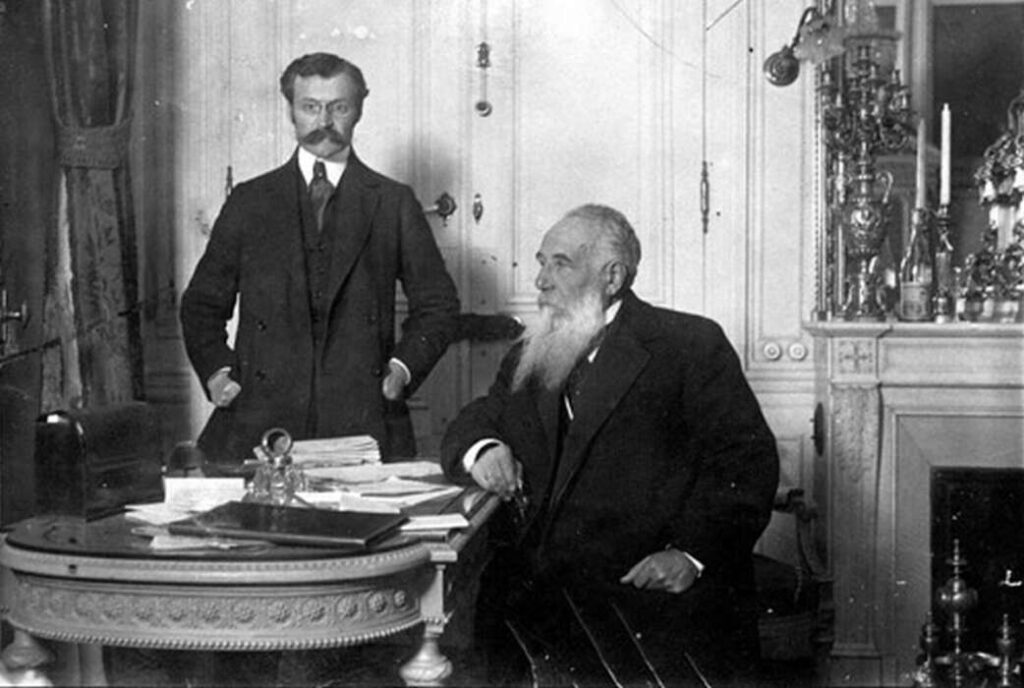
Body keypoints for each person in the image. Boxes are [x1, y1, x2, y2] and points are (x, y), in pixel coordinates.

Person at [441, 204, 779, 686]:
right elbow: (477, 417)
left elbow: (746, 463)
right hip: (536, 595)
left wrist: (690, 555)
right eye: (541, 263)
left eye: (560, 264)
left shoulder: (688, 344)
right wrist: (484, 447)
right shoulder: (530, 351)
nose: (540, 281)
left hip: (642, 595)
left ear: (613, 276)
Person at [181, 53, 460, 466]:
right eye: (310, 106)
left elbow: (438, 305)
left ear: (359, 111)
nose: (323, 121)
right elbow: (201, 305)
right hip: (260, 418)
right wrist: (218, 373)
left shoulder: (393, 202)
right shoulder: (249, 201)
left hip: (361, 417)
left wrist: (402, 370)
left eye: (338, 107)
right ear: (291, 111)